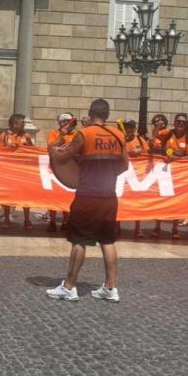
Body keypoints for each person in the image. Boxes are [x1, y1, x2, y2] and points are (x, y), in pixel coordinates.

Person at [46, 99, 128, 303]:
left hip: (87, 196)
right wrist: (107, 174)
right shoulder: (119, 135)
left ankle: (69, 286)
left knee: (79, 241)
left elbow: (62, 157)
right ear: (107, 115)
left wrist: (59, 140)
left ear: (90, 115)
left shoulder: (85, 134)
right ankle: (110, 288)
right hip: (109, 196)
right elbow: (124, 166)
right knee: (108, 241)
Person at [0, 113, 35, 230]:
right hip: (8, 171)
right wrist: (9, 148)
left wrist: (29, 143)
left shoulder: (26, 135)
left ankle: (27, 219)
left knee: (26, 196)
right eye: (22, 122)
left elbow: (34, 152)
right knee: (7, 196)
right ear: (14, 124)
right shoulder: (3, 136)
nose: (24, 124)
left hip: (23, 171)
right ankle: (6, 219)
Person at [45, 112, 78, 232]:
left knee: (67, 196)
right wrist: (61, 137)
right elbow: (50, 148)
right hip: (55, 169)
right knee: (54, 194)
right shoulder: (54, 133)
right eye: (65, 121)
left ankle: (66, 221)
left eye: (69, 121)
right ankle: (52, 220)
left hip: (70, 170)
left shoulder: (77, 134)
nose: (68, 124)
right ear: (61, 123)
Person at [123, 119, 148, 238]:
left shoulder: (140, 140)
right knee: (120, 200)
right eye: (126, 127)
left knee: (137, 201)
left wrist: (140, 151)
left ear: (134, 129)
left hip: (136, 176)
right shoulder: (120, 139)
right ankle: (116, 226)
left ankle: (138, 228)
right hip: (122, 175)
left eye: (130, 127)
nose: (128, 129)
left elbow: (148, 155)